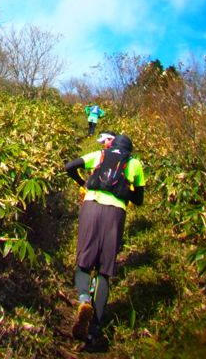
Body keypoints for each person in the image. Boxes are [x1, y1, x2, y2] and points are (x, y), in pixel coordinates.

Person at [64, 134, 145, 348]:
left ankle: (83, 299)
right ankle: (94, 330)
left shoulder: (99, 155)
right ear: (130, 150)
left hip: (91, 207)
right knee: (104, 271)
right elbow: (140, 200)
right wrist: (126, 191)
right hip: (115, 213)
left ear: (112, 145)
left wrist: (84, 182)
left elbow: (70, 166)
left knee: (83, 263)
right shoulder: (134, 164)